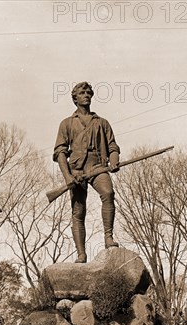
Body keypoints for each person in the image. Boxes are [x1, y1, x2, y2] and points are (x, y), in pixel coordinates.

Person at [53, 82, 121, 263]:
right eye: (82, 93)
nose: (86, 95)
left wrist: (113, 160)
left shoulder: (102, 123)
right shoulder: (66, 123)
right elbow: (60, 152)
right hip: (76, 171)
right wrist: (67, 176)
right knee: (78, 211)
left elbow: (112, 146)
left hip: (98, 166)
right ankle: (81, 253)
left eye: (88, 92)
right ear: (75, 98)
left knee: (108, 193)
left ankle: (108, 237)